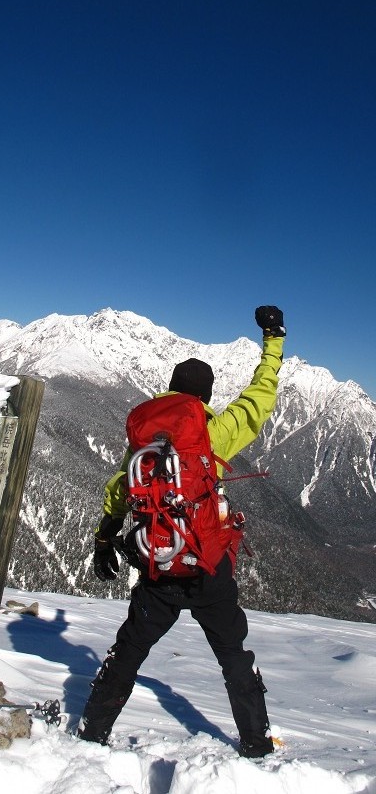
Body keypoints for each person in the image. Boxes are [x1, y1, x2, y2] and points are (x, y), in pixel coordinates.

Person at [78, 306, 286, 758]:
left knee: (129, 649)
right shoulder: (214, 432)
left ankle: (92, 732)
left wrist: (103, 539)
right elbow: (260, 397)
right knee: (233, 655)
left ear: (171, 388)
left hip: (159, 565)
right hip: (208, 567)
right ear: (206, 397)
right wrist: (274, 337)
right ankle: (256, 744)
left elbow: (119, 489)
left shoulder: (146, 439)